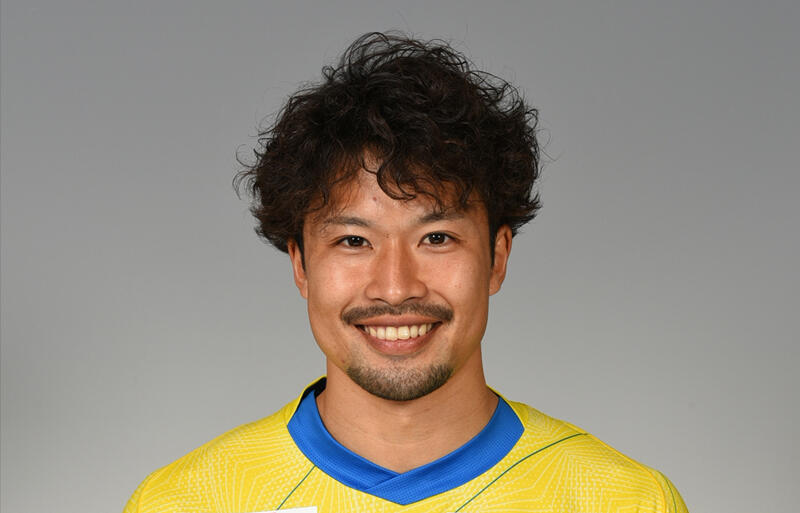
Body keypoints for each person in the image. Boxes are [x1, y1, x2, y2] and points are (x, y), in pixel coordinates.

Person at [124, 32, 688, 513]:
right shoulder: (185, 501)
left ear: (497, 258)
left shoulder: (626, 501)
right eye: (353, 241)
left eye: (436, 238)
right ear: (300, 265)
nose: (395, 287)